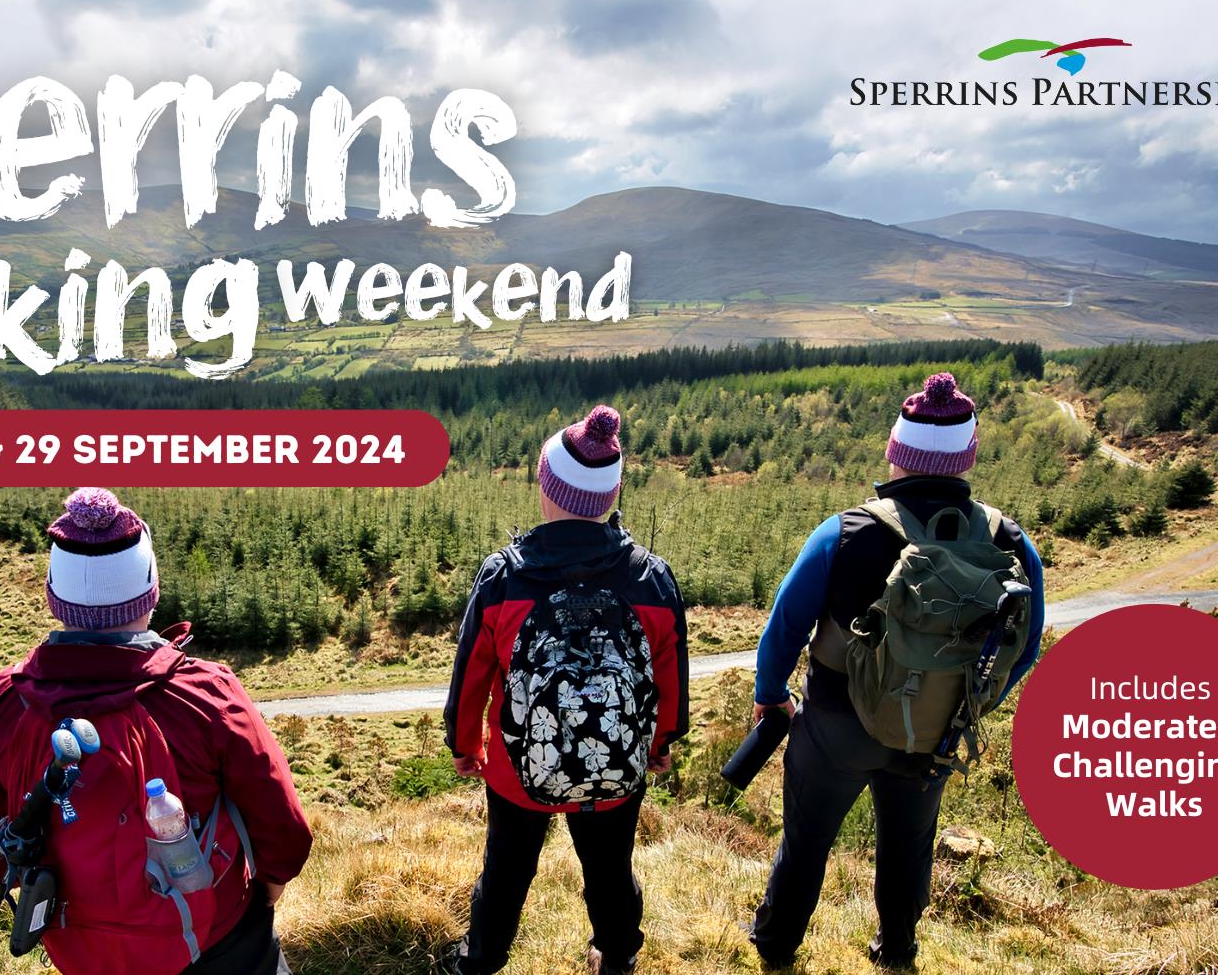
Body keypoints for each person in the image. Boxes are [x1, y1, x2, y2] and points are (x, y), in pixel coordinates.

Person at [748, 373, 1045, 971]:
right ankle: (897, 951)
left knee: (807, 840)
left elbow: (785, 625)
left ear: (895, 450)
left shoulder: (847, 531)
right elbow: (1027, 646)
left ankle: (777, 947)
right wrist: (965, 706)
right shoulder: (1008, 540)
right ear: (969, 456)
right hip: (933, 733)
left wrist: (772, 694)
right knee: (909, 846)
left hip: (836, 722)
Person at [0, 488, 312, 975]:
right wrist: (263, 897)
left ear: (53, 597)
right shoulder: (206, 694)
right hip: (218, 938)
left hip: (82, 950)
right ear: (151, 590)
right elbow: (284, 828)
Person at [442, 405, 689, 975]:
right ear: (614, 492)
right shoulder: (650, 579)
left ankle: (480, 961)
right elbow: (668, 670)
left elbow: (472, 673)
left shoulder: (506, 577)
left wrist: (465, 745)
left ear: (544, 484)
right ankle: (618, 954)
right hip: (616, 768)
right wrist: (661, 742)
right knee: (609, 865)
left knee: (507, 865)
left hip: (514, 766)